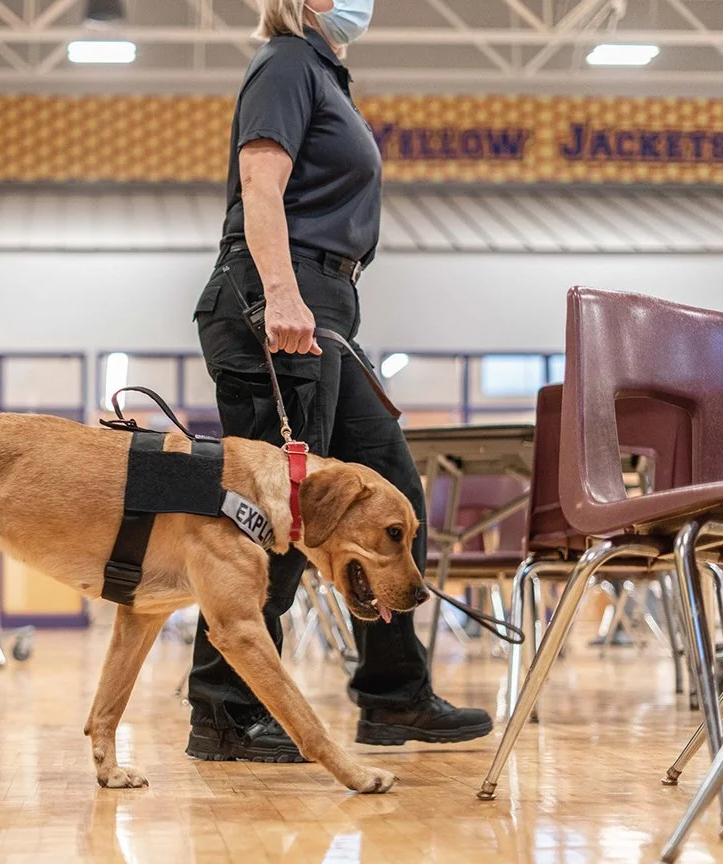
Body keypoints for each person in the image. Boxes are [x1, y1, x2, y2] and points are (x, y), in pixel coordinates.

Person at [185, 0, 494, 762]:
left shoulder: (324, 72)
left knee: (392, 492)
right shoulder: (288, 63)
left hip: (325, 304)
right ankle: (226, 712)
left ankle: (394, 697)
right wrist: (283, 294)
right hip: (278, 296)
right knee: (278, 512)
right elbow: (260, 189)